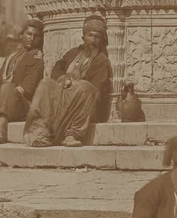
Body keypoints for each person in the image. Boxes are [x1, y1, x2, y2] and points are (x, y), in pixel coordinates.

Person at [23, 15, 112, 147]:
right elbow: (57, 69)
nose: (92, 40)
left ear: (102, 40)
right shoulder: (72, 53)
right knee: (45, 83)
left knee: (86, 87)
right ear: (84, 37)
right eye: (90, 35)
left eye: (97, 36)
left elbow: (96, 90)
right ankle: (42, 133)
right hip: (63, 95)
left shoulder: (102, 61)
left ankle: (72, 134)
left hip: (83, 104)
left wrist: (75, 82)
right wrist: (63, 78)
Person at [0, 18, 44, 143]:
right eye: (29, 34)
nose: (32, 38)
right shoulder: (13, 55)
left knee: (7, 88)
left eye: (36, 36)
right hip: (4, 97)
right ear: (22, 35)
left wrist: (4, 91)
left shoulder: (36, 57)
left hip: (22, 103)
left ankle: (1, 128)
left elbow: (28, 87)